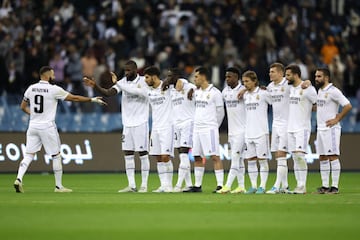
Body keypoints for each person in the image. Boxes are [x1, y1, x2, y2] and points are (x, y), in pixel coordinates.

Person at [14, 66, 106, 193]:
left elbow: (23, 107)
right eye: (53, 74)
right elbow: (74, 98)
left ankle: (19, 179)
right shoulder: (54, 89)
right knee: (56, 156)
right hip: (47, 126)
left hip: (33, 125)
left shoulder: (31, 88)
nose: (55, 77)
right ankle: (58, 186)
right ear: (47, 76)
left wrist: (34, 115)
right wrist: (92, 99)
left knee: (29, 154)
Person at [83, 60, 150, 193]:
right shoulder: (122, 82)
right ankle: (131, 185)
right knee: (128, 154)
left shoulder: (143, 81)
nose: (126, 72)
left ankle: (144, 185)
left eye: (129, 70)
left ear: (136, 70)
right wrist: (95, 86)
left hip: (141, 122)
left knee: (143, 154)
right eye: (125, 70)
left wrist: (117, 83)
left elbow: (137, 92)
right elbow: (108, 93)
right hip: (127, 124)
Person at [114, 66, 174, 193]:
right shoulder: (148, 90)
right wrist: (117, 83)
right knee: (158, 157)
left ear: (154, 76)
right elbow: (132, 90)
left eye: (147, 77)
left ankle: (169, 185)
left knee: (165, 157)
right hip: (156, 128)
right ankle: (163, 185)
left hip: (167, 127)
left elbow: (181, 82)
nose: (145, 80)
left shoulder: (168, 87)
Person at [184, 67, 225, 193]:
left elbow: (220, 113)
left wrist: (213, 126)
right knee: (197, 156)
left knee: (214, 156)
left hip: (209, 128)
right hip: (197, 128)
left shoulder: (215, 93)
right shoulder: (196, 92)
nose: (194, 79)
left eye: (196, 77)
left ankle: (220, 185)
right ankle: (197, 185)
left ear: (203, 77)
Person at [314, 68, 352, 194]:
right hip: (320, 128)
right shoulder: (319, 91)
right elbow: (321, 107)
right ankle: (325, 186)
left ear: (326, 78)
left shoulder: (334, 91)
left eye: (319, 76)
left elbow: (347, 105)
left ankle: (334, 187)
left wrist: (337, 118)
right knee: (322, 157)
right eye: (316, 76)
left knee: (332, 156)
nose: (316, 78)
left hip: (331, 129)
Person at [285, 64, 317, 194]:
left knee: (299, 155)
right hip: (290, 128)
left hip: (302, 128)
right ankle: (298, 185)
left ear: (296, 75)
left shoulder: (308, 89)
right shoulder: (290, 88)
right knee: (294, 157)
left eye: (288, 75)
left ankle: (302, 185)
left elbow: (317, 103)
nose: (286, 78)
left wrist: (309, 82)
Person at [217, 67, 246, 194]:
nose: (227, 79)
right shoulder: (225, 92)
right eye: (226, 76)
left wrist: (246, 89)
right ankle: (241, 186)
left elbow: (259, 89)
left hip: (242, 131)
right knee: (239, 159)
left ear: (237, 78)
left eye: (230, 77)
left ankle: (227, 186)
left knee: (235, 157)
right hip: (232, 132)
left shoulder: (245, 91)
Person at [242, 70, 272, 194]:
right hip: (248, 132)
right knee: (251, 160)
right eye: (243, 82)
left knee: (263, 160)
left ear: (254, 81)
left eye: (247, 81)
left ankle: (262, 186)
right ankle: (253, 186)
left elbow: (276, 104)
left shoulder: (264, 94)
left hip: (261, 132)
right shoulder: (245, 95)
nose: (244, 84)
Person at [166, 68, 195, 192]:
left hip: (188, 123)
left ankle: (178, 185)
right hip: (176, 124)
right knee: (181, 155)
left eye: (170, 76)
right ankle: (188, 184)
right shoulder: (171, 90)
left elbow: (203, 89)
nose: (167, 78)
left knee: (183, 153)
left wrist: (194, 90)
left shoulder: (189, 86)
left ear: (176, 76)